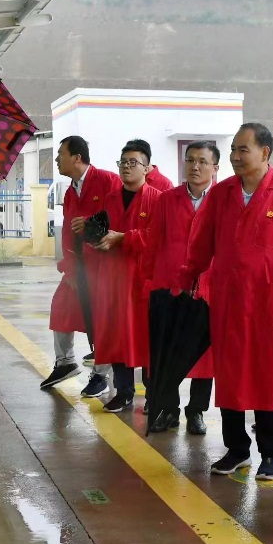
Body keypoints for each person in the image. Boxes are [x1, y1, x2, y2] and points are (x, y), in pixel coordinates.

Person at [179, 124, 273, 479]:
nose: (236, 157)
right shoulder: (222, 193)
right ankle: (237, 449)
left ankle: (272, 452)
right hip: (227, 300)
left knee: (269, 376)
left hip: (270, 301)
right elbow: (201, 244)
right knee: (230, 376)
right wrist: (188, 277)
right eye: (233, 151)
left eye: (243, 150)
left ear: (265, 153)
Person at [144, 141, 220, 434]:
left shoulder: (222, 200)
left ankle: (196, 410)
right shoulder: (167, 199)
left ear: (215, 167)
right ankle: (169, 409)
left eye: (202, 161)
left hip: (207, 288)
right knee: (168, 349)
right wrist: (151, 282)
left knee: (203, 355)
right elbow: (153, 242)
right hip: (171, 286)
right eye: (190, 160)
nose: (195, 166)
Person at [40, 136, 121, 399]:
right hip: (79, 265)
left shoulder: (108, 181)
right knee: (61, 305)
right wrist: (70, 267)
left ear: (77, 157)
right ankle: (65, 362)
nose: (56, 160)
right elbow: (67, 232)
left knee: (101, 318)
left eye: (60, 154)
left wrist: (90, 222)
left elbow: (118, 217)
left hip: (104, 265)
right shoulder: (70, 191)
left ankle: (101, 375)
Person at [92, 139, 163, 413]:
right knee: (117, 336)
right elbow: (103, 233)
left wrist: (124, 238)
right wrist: (93, 238)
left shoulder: (157, 199)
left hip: (141, 279)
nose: (126, 167)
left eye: (133, 162)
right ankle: (123, 392)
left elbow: (157, 238)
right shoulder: (110, 199)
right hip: (112, 279)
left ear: (147, 168)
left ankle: (154, 395)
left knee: (146, 339)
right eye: (123, 162)